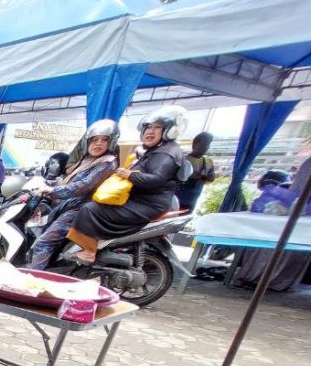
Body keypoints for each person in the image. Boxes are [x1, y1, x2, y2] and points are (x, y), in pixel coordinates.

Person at [67, 106, 188, 264]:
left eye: (157, 127)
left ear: (169, 130)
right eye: (148, 127)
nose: (150, 132)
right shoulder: (158, 150)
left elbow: (155, 179)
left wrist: (129, 175)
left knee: (90, 209)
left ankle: (90, 251)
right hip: (141, 201)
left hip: (147, 205)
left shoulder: (166, 153)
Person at [26, 120, 119, 269]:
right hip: (71, 205)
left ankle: (33, 278)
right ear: (87, 142)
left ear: (111, 142)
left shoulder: (106, 163)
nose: (98, 143)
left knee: (44, 242)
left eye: (104, 140)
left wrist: (53, 191)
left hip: (80, 209)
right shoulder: (89, 160)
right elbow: (70, 182)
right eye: (94, 140)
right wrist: (47, 185)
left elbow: (83, 186)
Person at [231, 151, 311, 290]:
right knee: (280, 243)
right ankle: (263, 278)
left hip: (304, 213)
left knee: (289, 245)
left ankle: (267, 279)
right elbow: (300, 191)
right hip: (299, 212)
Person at [176, 132, 216, 212]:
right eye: (203, 144)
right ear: (194, 145)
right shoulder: (182, 161)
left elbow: (211, 179)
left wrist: (210, 176)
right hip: (177, 199)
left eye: (208, 145)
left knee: (185, 218)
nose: (206, 147)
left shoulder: (209, 162)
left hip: (193, 200)